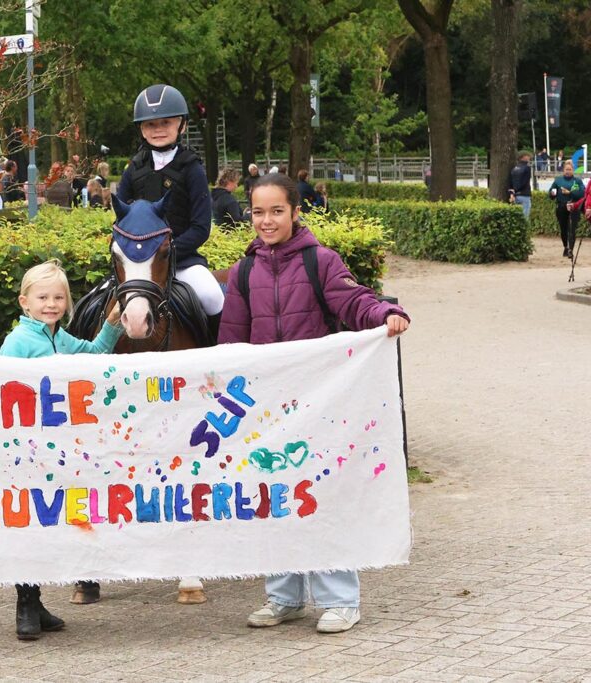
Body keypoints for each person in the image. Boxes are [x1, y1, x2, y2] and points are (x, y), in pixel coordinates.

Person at [217, 173, 410, 634]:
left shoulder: (320, 261)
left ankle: (340, 599)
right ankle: (283, 596)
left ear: (296, 211)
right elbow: (231, 340)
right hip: (266, 408)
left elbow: (354, 301)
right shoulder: (243, 272)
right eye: (258, 212)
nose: (266, 221)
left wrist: (385, 314)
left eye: (276, 211)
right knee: (274, 495)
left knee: (322, 495)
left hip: (319, 401)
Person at [0, 259, 123, 639]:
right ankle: (25, 603)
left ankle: (35, 603)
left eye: (58, 297)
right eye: (42, 297)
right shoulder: (18, 341)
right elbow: (2, 391)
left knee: (49, 518)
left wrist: (113, 323)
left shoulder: (61, 338)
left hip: (57, 449)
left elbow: (95, 354)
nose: (50, 304)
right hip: (27, 449)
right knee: (28, 523)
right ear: (25, 302)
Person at [116, 83, 224, 328]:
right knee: (98, 298)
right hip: (137, 263)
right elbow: (120, 221)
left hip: (181, 260)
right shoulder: (133, 168)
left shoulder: (192, 168)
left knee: (212, 296)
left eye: (166, 123)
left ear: (181, 125)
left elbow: (200, 228)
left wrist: (167, 252)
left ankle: (218, 352)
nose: (158, 130)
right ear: (141, 130)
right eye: (150, 124)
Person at [548, 160, 585, 257]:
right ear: (563, 170)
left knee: (572, 228)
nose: (568, 171)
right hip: (561, 206)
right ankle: (565, 246)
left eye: (570, 169)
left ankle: (570, 250)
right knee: (563, 228)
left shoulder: (577, 181)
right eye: (566, 169)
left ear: (573, 170)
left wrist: (570, 193)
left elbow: (582, 194)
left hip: (574, 206)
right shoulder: (558, 180)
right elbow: (551, 193)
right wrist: (552, 193)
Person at [508, 152, 533, 219]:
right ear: (523, 157)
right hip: (525, 194)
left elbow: (511, 182)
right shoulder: (527, 168)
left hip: (515, 195)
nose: (529, 158)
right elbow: (525, 182)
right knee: (525, 216)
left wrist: (512, 192)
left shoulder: (514, 169)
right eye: (528, 156)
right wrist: (516, 189)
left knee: (517, 217)